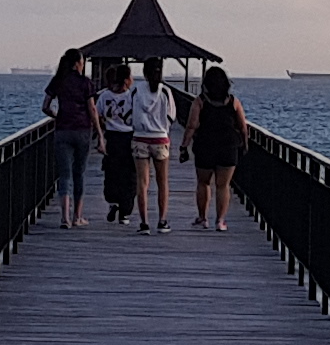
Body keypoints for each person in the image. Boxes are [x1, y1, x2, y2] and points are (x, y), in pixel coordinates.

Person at [109, 60, 178, 232]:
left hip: (140, 138)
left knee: (142, 182)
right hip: (160, 139)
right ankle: (162, 221)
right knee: (162, 182)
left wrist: (137, 124)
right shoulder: (165, 91)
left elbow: (127, 115)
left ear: (144, 73)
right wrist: (162, 128)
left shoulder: (136, 90)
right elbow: (171, 116)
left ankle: (144, 223)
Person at [40, 47, 100, 229]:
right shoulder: (85, 83)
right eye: (82, 62)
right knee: (79, 173)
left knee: (64, 175)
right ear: (77, 64)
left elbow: (45, 106)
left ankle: (64, 218)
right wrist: (100, 133)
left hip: (63, 130)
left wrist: (57, 115)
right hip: (82, 130)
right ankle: (77, 217)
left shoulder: (58, 80)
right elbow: (92, 109)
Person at [186, 65, 246, 231]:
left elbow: (192, 125)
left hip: (205, 145)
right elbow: (242, 127)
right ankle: (220, 221)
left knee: (203, 182)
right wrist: (245, 144)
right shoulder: (233, 102)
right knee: (223, 185)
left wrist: (184, 145)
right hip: (228, 147)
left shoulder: (200, 101)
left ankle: (202, 218)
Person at [98, 61, 139, 223]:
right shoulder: (132, 96)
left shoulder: (105, 96)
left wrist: (101, 132)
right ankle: (125, 212)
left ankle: (113, 201)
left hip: (112, 137)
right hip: (129, 138)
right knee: (130, 175)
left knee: (111, 172)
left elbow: (98, 115)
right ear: (127, 79)